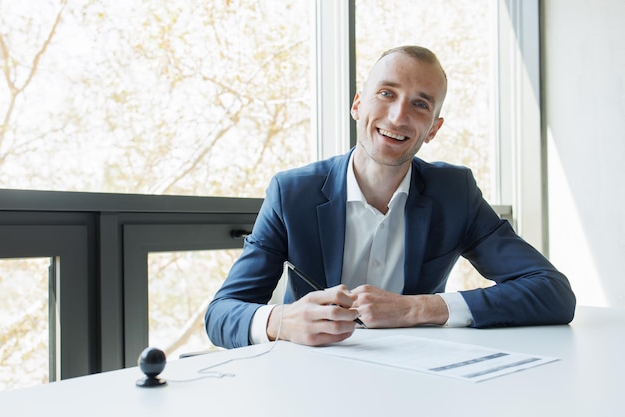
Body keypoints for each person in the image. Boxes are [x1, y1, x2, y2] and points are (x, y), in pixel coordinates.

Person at [205, 45, 576, 349]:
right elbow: (220, 314)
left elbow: (553, 292)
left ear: (433, 129)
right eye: (386, 93)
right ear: (357, 105)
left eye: (420, 104)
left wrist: (417, 309)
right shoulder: (292, 193)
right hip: (310, 377)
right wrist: (282, 321)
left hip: (416, 378)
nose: (398, 117)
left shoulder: (455, 193)